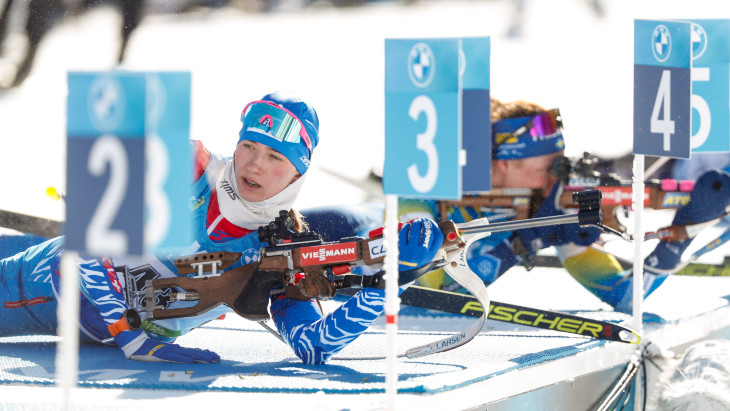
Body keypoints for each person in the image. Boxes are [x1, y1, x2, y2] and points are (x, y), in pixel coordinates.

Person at [0, 92, 444, 365]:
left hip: (86, 334)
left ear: (297, 175)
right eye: (249, 146)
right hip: (32, 283)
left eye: (275, 157)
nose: (254, 164)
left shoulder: (283, 245)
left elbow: (313, 346)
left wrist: (387, 286)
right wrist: (131, 337)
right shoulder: (190, 167)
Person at [395, 97, 730, 313]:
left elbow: (629, 297)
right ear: (503, 166)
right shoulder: (422, 197)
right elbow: (430, 298)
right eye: (546, 171)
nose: (555, 182)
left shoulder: (550, 207)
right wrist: (526, 240)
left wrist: (686, 229)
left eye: (561, 168)